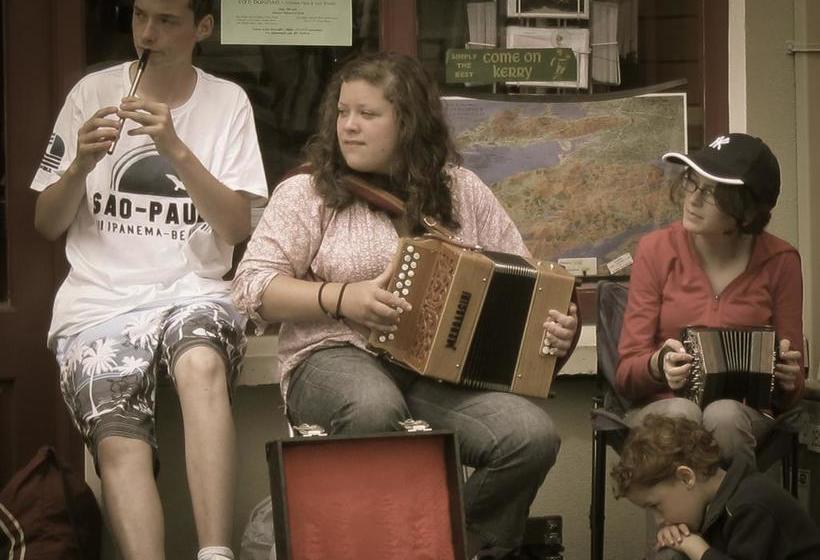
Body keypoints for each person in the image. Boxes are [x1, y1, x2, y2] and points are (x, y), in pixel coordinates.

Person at [232, 51, 579, 560]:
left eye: (367, 114)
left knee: (529, 437)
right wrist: (342, 297)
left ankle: (445, 544)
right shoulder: (308, 192)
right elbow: (251, 287)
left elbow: (523, 283)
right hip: (332, 357)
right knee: (374, 409)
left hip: (438, 375)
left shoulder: (462, 192)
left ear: (409, 122)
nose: (348, 126)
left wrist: (557, 330)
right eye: (342, 111)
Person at [30, 1, 267, 559]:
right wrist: (81, 166)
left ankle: (215, 553)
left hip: (192, 291)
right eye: (140, 17)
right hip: (98, 301)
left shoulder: (227, 102)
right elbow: (46, 224)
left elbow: (234, 229)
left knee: (201, 360)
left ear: (203, 29)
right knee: (117, 432)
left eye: (167, 21)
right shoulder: (92, 94)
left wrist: (175, 148)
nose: (148, 34)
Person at [615, 133, 805, 465]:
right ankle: (676, 518)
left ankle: (732, 517)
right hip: (665, 406)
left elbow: (792, 387)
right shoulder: (655, 250)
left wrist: (789, 378)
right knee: (680, 414)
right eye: (692, 183)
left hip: (744, 413)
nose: (693, 200)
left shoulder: (781, 261)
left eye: (712, 192)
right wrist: (658, 365)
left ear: (746, 211)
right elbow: (626, 375)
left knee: (725, 416)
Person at [611, 414, 820, 560]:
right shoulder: (717, 502)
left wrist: (697, 548)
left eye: (656, 506)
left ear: (686, 478)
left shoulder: (752, 505)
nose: (658, 520)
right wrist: (678, 537)